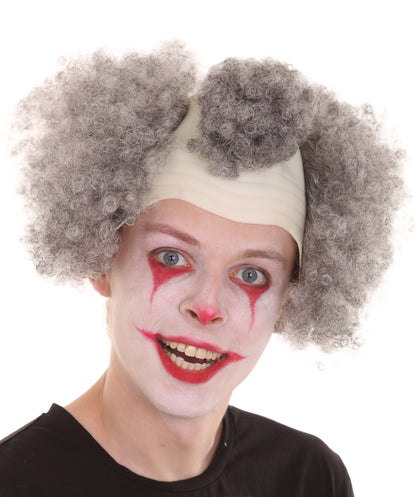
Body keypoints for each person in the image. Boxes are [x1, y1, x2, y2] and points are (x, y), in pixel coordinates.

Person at [0, 43, 403, 496]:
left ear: (290, 300)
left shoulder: (307, 477)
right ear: (101, 259)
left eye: (252, 275)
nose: (207, 307)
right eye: (171, 257)